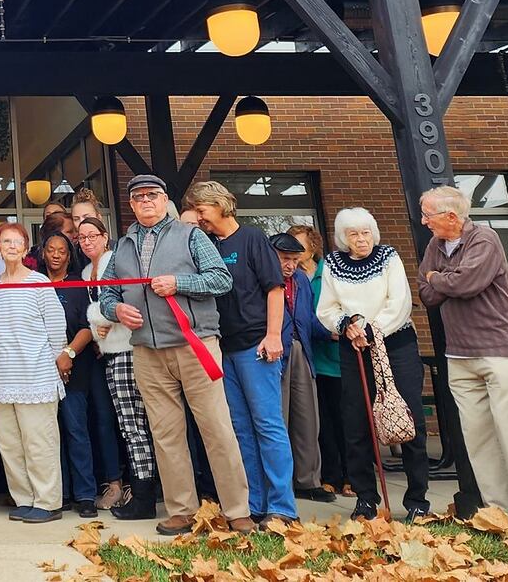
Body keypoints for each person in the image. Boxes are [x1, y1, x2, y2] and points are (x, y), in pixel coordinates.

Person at [98, 174, 254, 537]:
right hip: (148, 351)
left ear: (164, 199)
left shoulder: (192, 235)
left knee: (216, 428)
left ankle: (238, 511)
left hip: (195, 345)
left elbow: (221, 279)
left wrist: (179, 283)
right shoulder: (120, 247)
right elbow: (107, 294)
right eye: (138, 198)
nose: (146, 202)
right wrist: (116, 311)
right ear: (132, 205)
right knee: (165, 435)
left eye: (152, 195)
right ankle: (181, 510)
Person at [416, 186, 508, 541]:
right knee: (478, 435)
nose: (423, 221)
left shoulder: (485, 239)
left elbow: (467, 283)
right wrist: (441, 280)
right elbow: (426, 291)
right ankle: (500, 511)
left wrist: (441, 279)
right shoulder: (435, 246)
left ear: (452, 216)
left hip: (501, 348)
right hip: (460, 353)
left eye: (428, 214)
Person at [183, 182, 294, 525]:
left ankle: (282, 507)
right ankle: (254, 504)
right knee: (240, 430)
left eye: (201, 210)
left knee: (268, 425)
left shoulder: (252, 238)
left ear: (219, 205)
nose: (199, 217)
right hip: (222, 348)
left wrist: (273, 335)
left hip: (255, 345)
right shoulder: (209, 245)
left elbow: (274, 289)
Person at [314, 207, 430, 522]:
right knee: (356, 423)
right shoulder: (333, 264)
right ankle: (366, 498)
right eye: (353, 234)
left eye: (365, 232)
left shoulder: (389, 257)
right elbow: (326, 307)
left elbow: (400, 301)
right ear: (343, 238)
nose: (361, 239)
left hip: (395, 344)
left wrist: (370, 329)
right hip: (354, 348)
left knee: (409, 420)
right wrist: (345, 325)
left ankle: (417, 498)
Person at [38, 229, 119, 517]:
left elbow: (88, 326)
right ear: (43, 252)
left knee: (76, 430)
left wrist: (68, 355)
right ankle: (58, 494)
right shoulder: (35, 284)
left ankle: (85, 495)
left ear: (68, 254)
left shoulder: (77, 284)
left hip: (76, 366)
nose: (57, 254)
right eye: (51, 249)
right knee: (48, 435)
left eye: (62, 250)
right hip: (40, 370)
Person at [0, 222, 66, 522]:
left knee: (39, 443)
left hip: (36, 376)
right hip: (2, 378)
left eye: (16, 241)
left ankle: (47, 501)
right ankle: (24, 498)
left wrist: (53, 363)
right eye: (5, 241)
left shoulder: (40, 283)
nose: (10, 246)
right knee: (10, 444)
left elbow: (57, 331)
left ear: (25, 247)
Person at [80, 215, 155, 519]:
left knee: (134, 424)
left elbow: (120, 304)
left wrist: (97, 317)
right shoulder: (86, 271)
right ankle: (139, 490)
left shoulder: (117, 261)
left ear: (105, 236)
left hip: (128, 349)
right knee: (126, 424)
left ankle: (143, 495)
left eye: (92, 236)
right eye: (82, 238)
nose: (87, 242)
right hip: (108, 354)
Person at [267, 232, 333, 504]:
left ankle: (308, 481)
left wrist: (335, 331)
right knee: (277, 420)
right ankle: (280, 484)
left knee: (308, 419)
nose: (290, 265)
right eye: (285, 259)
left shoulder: (302, 281)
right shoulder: (262, 279)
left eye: (295, 259)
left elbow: (310, 319)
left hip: (301, 350)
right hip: (272, 354)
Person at [288, 223, 347, 496]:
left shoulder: (331, 271)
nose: (295, 252)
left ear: (313, 245)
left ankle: (351, 476)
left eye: (300, 245)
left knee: (345, 417)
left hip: (335, 354)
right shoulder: (292, 276)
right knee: (318, 420)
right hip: (310, 355)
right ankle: (329, 474)